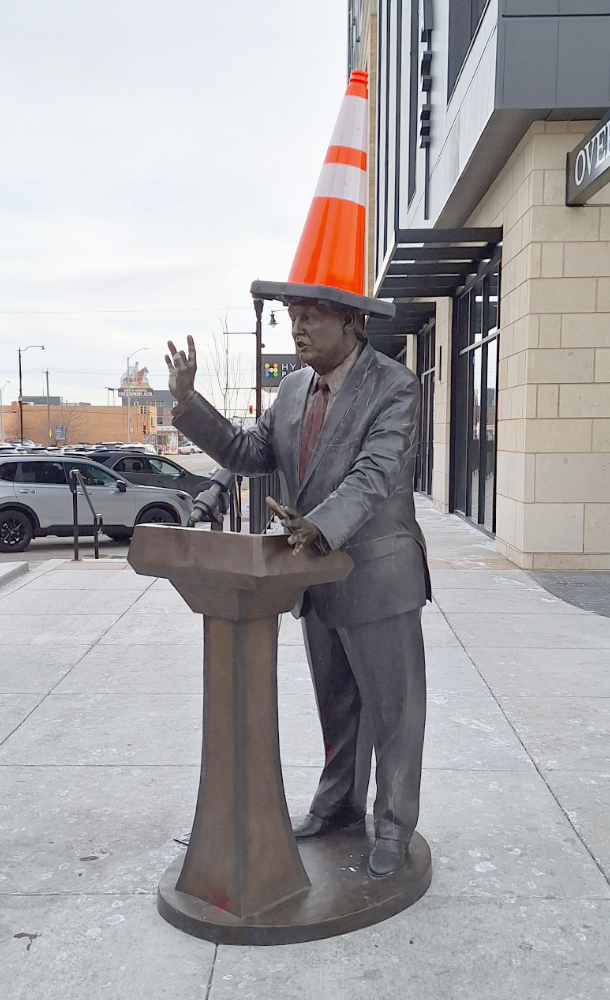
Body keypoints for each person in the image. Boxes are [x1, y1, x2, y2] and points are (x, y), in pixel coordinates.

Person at [166, 301, 430, 878]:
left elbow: (375, 474)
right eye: (293, 317)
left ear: (352, 322)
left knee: (394, 714)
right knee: (337, 707)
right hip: (312, 572)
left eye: (312, 316)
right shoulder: (291, 391)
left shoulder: (394, 385)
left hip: (378, 576)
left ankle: (393, 825)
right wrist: (188, 404)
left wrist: (322, 524)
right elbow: (246, 453)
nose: (299, 328)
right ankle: (338, 807)